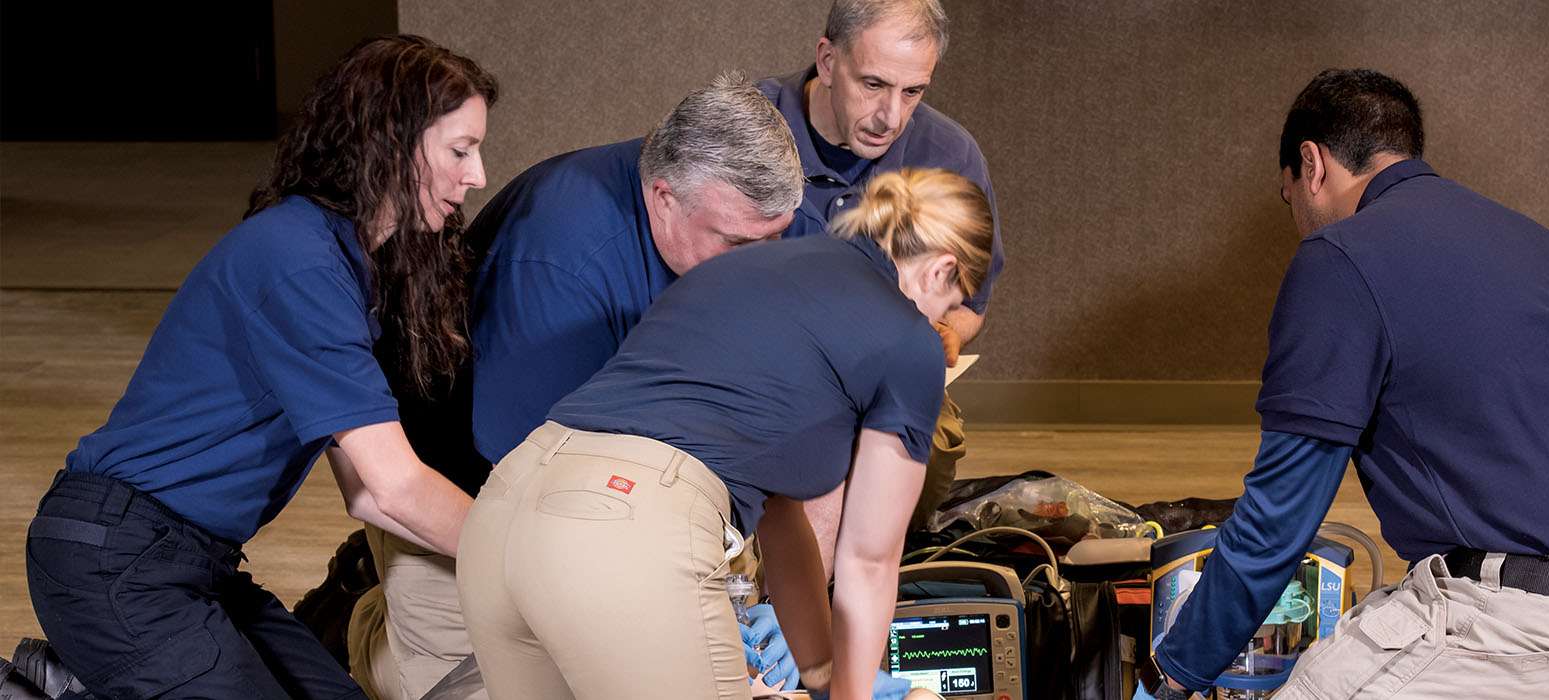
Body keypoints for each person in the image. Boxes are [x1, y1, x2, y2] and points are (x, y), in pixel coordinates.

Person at [1147, 69, 1549, 699]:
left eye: (1290, 200)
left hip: (1512, 622)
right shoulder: (1533, 241)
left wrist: (1175, 670)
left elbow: (1278, 519)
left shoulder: (1338, 258)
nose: (1301, 223)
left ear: (1311, 164)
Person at [23, 35, 496, 699]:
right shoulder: (299, 260)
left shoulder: (354, 268)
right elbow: (394, 486)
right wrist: (525, 561)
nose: (477, 176)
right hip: (113, 558)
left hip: (197, 563)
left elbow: (364, 490)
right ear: (394, 142)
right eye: (460, 150)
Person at [340, 74, 804, 699]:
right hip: (470, 487)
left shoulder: (750, 218)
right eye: (738, 244)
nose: (760, 264)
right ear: (663, 197)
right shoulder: (559, 261)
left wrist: (774, 594)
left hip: (628, 478)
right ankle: (357, 614)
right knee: (462, 685)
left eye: (774, 240)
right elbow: (535, 501)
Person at [456, 168, 993, 699]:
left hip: (501, 516)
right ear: (940, 271)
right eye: (950, 306)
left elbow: (782, 519)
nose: (939, 323)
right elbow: (869, 561)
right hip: (622, 523)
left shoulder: (750, 269)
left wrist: (823, 672)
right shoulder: (906, 340)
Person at [757, 0, 1006, 546]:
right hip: (759, 370)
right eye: (872, 84)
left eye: (912, 92)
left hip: (882, 375)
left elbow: (970, 305)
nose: (891, 116)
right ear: (827, 60)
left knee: (928, 455)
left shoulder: (950, 154)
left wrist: (944, 333)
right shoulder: (751, 132)